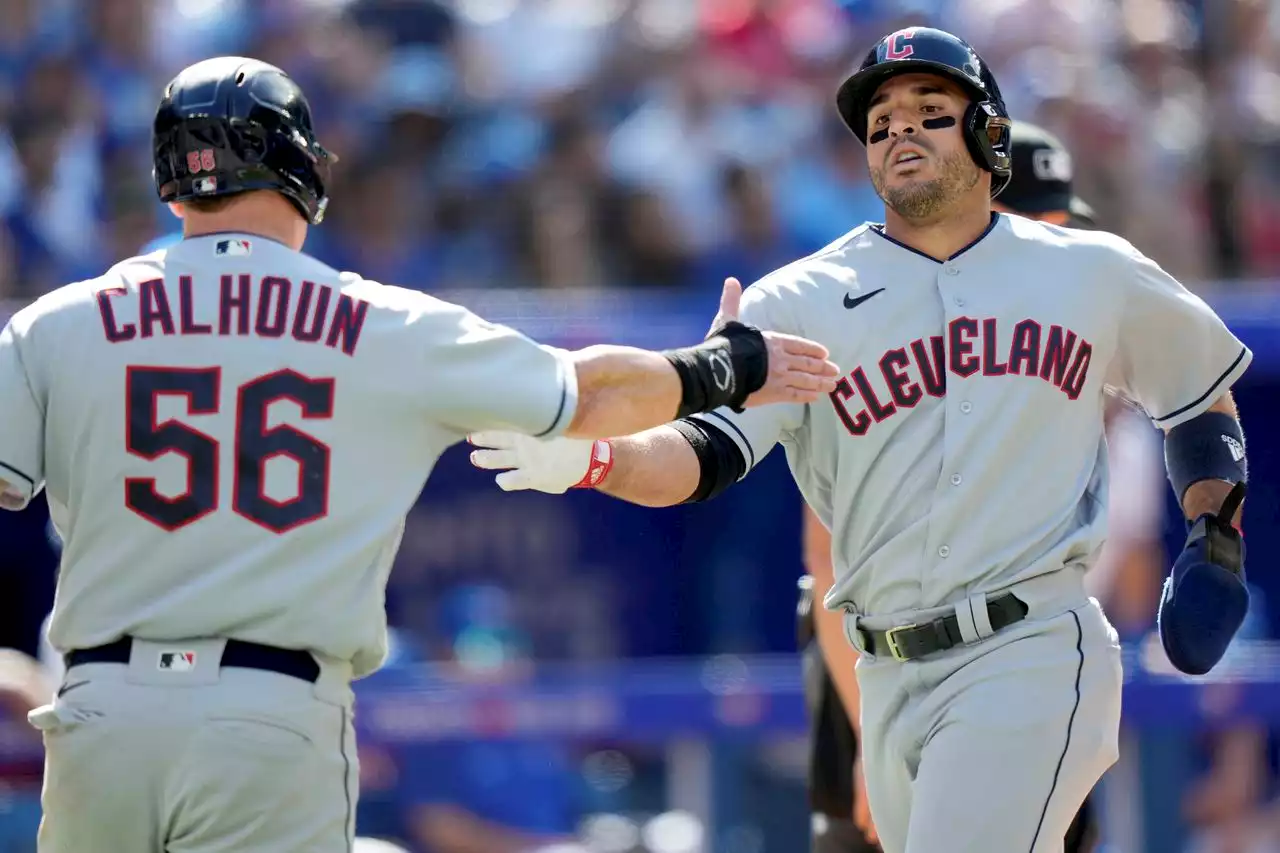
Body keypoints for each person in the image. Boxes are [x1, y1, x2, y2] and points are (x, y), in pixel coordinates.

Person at [0, 57, 840, 853]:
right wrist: (725, 365)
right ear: (302, 169)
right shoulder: (374, 319)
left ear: (170, 175)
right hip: (267, 712)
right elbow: (588, 392)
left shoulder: (55, 322)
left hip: (100, 711)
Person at [468, 27, 1255, 853]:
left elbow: (1199, 390)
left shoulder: (1090, 270)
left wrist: (1216, 534)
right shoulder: (801, 301)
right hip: (883, 671)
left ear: (989, 132)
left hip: (1029, 647)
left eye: (929, 110)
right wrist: (596, 459)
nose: (899, 130)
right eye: (880, 121)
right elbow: (698, 455)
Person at [795, 119, 1114, 853]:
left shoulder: (1056, 343)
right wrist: (878, 755)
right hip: (883, 668)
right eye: (1044, 224)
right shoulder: (876, 324)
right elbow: (827, 559)